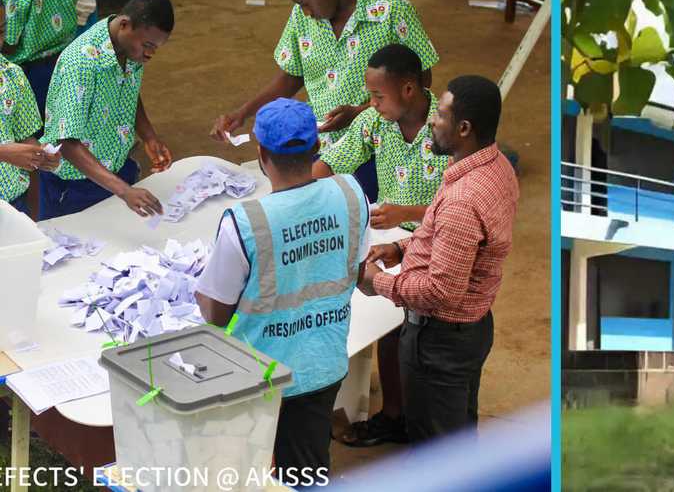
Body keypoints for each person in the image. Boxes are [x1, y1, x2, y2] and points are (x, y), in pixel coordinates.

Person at [195, 97, 371, 476]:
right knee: (306, 470)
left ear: (261, 154)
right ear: (318, 147)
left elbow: (214, 308)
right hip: (323, 365)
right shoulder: (350, 195)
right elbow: (355, 269)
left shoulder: (246, 221)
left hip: (259, 374)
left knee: (242, 471)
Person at [210, 0, 439, 205]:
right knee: (284, 179)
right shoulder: (302, 18)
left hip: (377, 148)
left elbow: (422, 80)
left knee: (349, 203)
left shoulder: (391, 11)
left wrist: (362, 112)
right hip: (320, 145)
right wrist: (242, 113)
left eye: (305, 3)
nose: (305, 11)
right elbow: (290, 77)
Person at [360, 75, 519, 442]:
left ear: (464, 128)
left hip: (439, 342)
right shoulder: (496, 168)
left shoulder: (463, 199)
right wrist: (401, 248)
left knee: (436, 450)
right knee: (458, 433)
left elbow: (440, 292)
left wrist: (377, 282)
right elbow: (457, 241)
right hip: (470, 330)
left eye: (441, 115)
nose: (433, 120)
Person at [312, 43, 450, 447]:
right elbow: (332, 163)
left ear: (409, 89)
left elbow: (463, 208)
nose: (370, 104)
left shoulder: (446, 129)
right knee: (384, 325)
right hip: (388, 241)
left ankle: (402, 417)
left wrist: (405, 210)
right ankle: (394, 412)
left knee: (411, 333)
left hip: (437, 242)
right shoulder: (375, 122)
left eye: (377, 96)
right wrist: (297, 193)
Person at [38, 0, 174, 220]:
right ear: (124, 25)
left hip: (117, 170)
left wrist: (149, 136)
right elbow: (68, 143)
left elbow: (128, 90)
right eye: (148, 45)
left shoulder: (131, 50)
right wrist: (124, 191)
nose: (150, 54)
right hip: (73, 186)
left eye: (156, 48)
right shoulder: (81, 63)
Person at [0, 53, 59, 215]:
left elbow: (25, 137)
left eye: (1, 32)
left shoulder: (12, 74)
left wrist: (39, 154)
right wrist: (4, 153)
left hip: (13, 202)